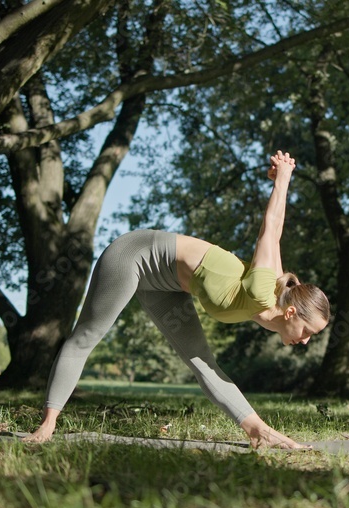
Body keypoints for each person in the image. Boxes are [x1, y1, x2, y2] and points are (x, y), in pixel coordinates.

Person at [23, 151, 330, 448]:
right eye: (307, 332)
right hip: (135, 255)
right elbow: (271, 228)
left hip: (167, 284)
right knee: (87, 335)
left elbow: (272, 234)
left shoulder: (273, 289)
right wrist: (283, 178)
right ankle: (47, 425)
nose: (305, 342)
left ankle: (258, 432)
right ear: (290, 313)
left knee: (203, 362)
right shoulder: (263, 292)